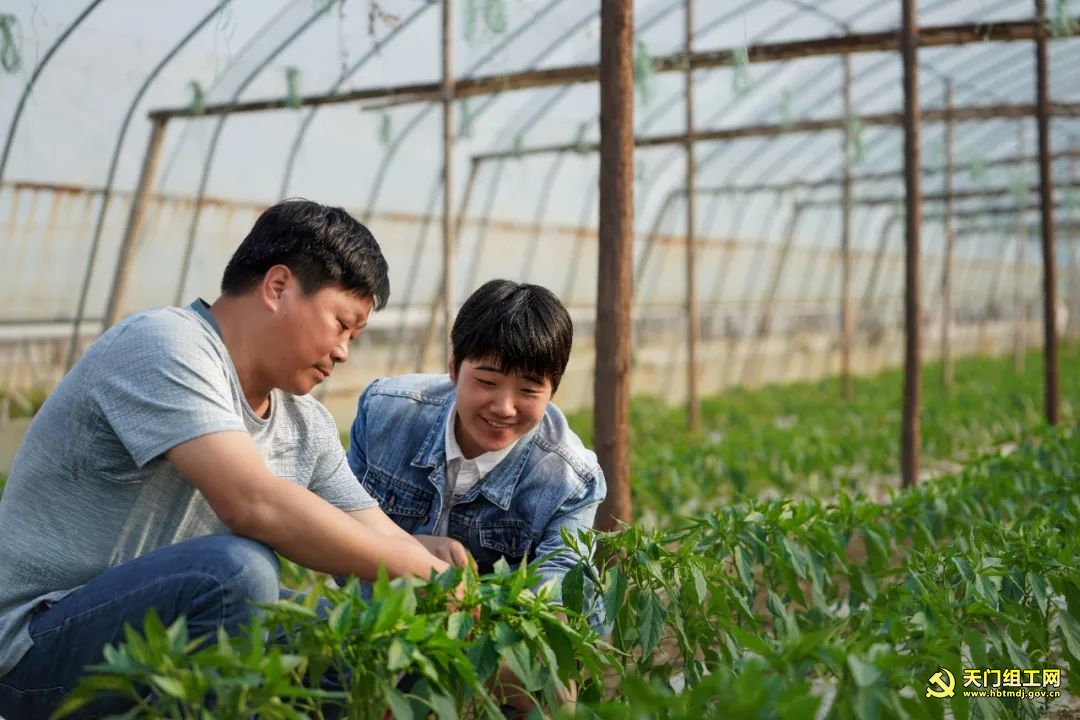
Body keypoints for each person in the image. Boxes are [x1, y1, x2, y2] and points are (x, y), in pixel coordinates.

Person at [0, 199, 452, 719]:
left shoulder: (306, 423)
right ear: (278, 287)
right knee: (235, 574)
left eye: (356, 336)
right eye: (341, 324)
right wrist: (418, 569)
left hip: (152, 650)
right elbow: (252, 502)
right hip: (37, 652)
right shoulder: (165, 345)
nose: (345, 350)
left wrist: (450, 583)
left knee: (351, 641)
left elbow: (376, 535)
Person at [346, 279, 606, 611]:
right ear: (454, 367)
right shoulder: (385, 413)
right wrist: (406, 551)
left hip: (490, 640)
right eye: (487, 382)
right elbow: (337, 521)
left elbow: (562, 592)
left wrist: (474, 611)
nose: (504, 407)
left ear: (552, 391)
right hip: (380, 618)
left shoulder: (570, 481)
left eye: (528, 391)